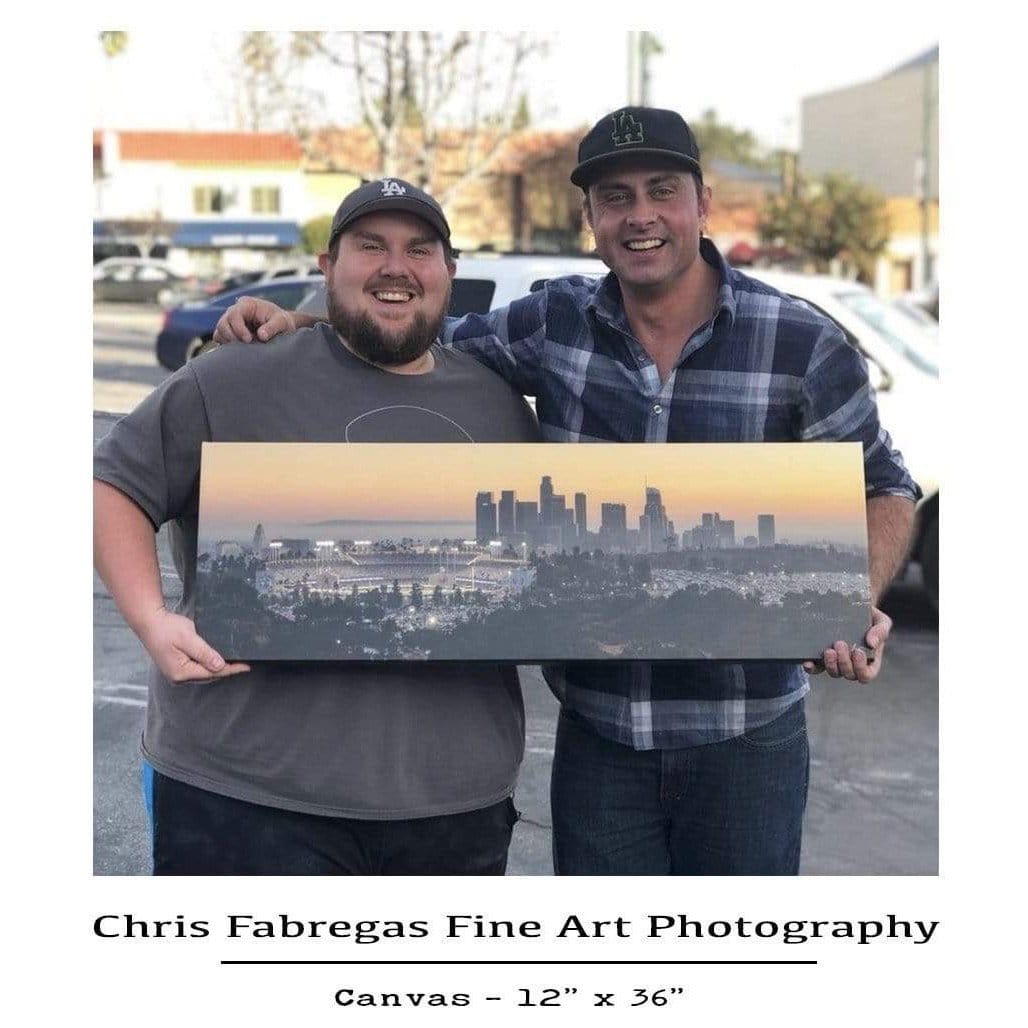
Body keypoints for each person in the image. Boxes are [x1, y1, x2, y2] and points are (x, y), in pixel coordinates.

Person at [213, 107, 920, 875]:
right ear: (590, 218)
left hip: (746, 738)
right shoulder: (554, 324)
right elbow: (412, 324)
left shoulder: (801, 342)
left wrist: (859, 595)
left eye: (661, 191)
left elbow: (884, 485)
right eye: (615, 197)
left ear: (702, 204)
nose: (640, 215)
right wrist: (303, 317)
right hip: (599, 740)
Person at [94, 178, 542, 875]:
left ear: (449, 273)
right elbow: (115, 483)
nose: (396, 266)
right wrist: (150, 619)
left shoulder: (502, 406)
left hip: (454, 805)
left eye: (419, 249)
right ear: (328, 266)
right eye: (371, 246)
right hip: (242, 794)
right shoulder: (233, 379)